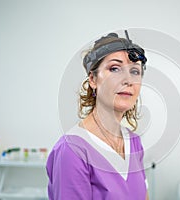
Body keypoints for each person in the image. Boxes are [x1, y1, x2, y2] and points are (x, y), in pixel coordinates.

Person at [46, 31, 149, 200]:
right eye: (115, 68)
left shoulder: (134, 143)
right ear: (93, 79)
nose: (128, 80)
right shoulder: (72, 151)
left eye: (135, 71)